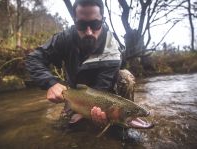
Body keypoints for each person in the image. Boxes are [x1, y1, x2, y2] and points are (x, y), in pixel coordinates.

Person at [26, 0, 152, 128]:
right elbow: (34, 58)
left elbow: (101, 90)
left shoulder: (112, 49)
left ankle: (123, 122)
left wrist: (98, 113)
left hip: (103, 92)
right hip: (74, 92)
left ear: (102, 20)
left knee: (125, 77)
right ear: (75, 21)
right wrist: (50, 83)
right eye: (81, 24)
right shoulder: (65, 38)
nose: (89, 32)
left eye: (95, 24)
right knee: (66, 128)